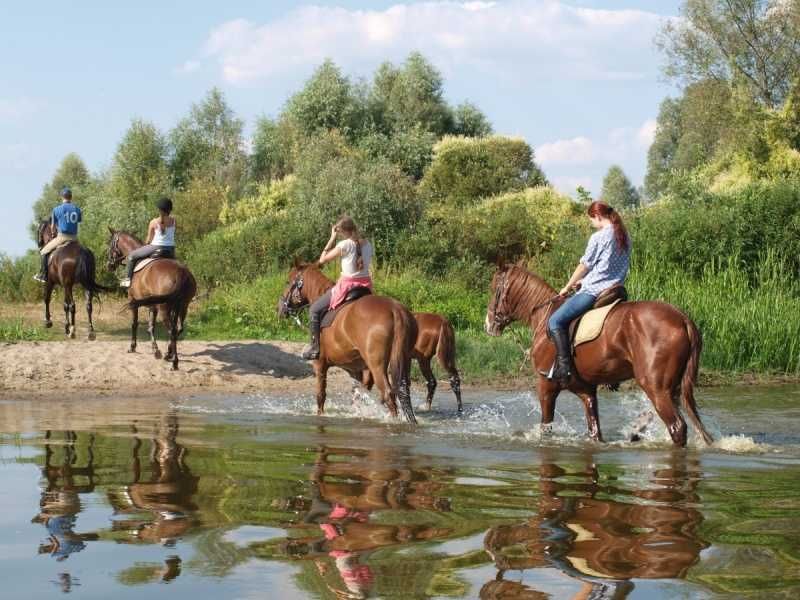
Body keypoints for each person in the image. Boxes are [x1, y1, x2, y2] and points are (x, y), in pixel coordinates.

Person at [547, 200, 631, 383]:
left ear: (598, 216)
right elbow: (606, 268)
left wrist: (568, 286)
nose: (592, 224)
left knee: (555, 321)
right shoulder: (624, 235)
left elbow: (585, 265)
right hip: (616, 290)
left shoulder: (599, 237)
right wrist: (583, 282)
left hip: (594, 291)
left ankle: (564, 368)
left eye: (591, 220)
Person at [302, 216, 373, 360]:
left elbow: (322, 260)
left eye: (339, 232)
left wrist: (331, 237)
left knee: (314, 310)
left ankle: (315, 347)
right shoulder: (368, 244)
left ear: (341, 231)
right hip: (365, 286)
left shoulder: (344, 245)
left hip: (347, 286)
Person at [119, 198, 177, 287]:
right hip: (171, 249)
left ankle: (127, 280)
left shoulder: (153, 222)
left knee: (131, 256)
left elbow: (148, 240)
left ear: (159, 209)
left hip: (156, 247)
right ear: (170, 209)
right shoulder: (174, 221)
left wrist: (144, 245)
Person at [34, 187, 82, 283]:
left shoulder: (57, 209)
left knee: (43, 251)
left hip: (62, 237)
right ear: (71, 197)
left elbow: (52, 226)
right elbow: (79, 220)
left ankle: (43, 275)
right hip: (75, 238)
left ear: (62, 197)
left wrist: (52, 233)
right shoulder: (77, 209)